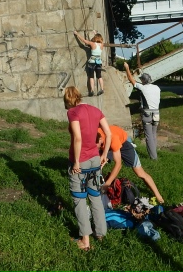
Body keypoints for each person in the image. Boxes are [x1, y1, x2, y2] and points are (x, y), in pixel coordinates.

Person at [64, 86, 111, 251]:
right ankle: (101, 233)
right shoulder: (95, 110)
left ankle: (85, 241)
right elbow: (108, 133)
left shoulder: (73, 112)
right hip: (95, 160)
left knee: (79, 199)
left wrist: (76, 162)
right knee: (95, 196)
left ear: (68, 100)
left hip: (81, 162)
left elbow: (78, 138)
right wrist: (104, 154)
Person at [97, 124, 164, 204]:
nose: (96, 148)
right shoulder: (94, 136)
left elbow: (118, 165)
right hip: (108, 143)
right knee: (98, 164)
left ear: (100, 139)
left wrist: (107, 184)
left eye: (97, 146)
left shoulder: (113, 139)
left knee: (140, 173)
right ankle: (99, 189)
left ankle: (158, 196)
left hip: (124, 143)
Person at [123, 62, 160, 160]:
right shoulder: (157, 88)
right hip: (156, 113)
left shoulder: (143, 88)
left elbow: (131, 79)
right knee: (153, 135)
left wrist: (127, 68)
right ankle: (154, 153)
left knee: (149, 136)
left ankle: (154, 158)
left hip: (147, 114)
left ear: (143, 80)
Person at [73, 30, 104, 96]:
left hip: (92, 62)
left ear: (95, 38)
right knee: (99, 76)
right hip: (99, 62)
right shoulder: (102, 45)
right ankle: (102, 89)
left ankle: (92, 90)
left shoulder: (92, 44)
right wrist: (96, 33)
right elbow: (98, 38)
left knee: (91, 76)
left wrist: (77, 34)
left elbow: (84, 41)